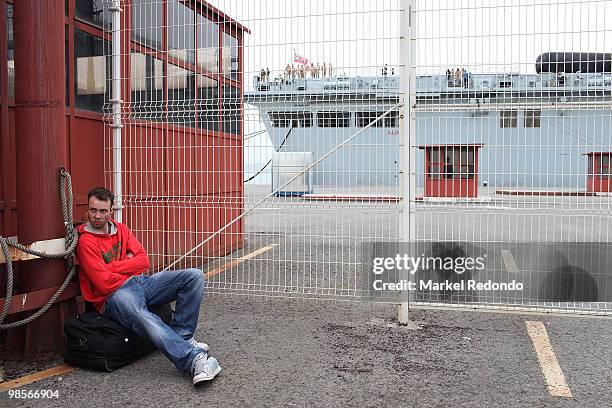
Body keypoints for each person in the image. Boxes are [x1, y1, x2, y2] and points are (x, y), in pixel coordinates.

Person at [76, 187, 221, 386]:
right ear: (87, 209)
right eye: (93, 210)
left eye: (103, 211)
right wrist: (128, 266)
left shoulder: (121, 229)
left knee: (193, 277)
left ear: (111, 210)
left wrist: (112, 267)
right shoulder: (86, 242)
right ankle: (193, 359)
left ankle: (183, 337)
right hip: (114, 296)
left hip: (140, 282)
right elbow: (103, 283)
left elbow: (143, 261)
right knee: (144, 317)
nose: (97, 216)